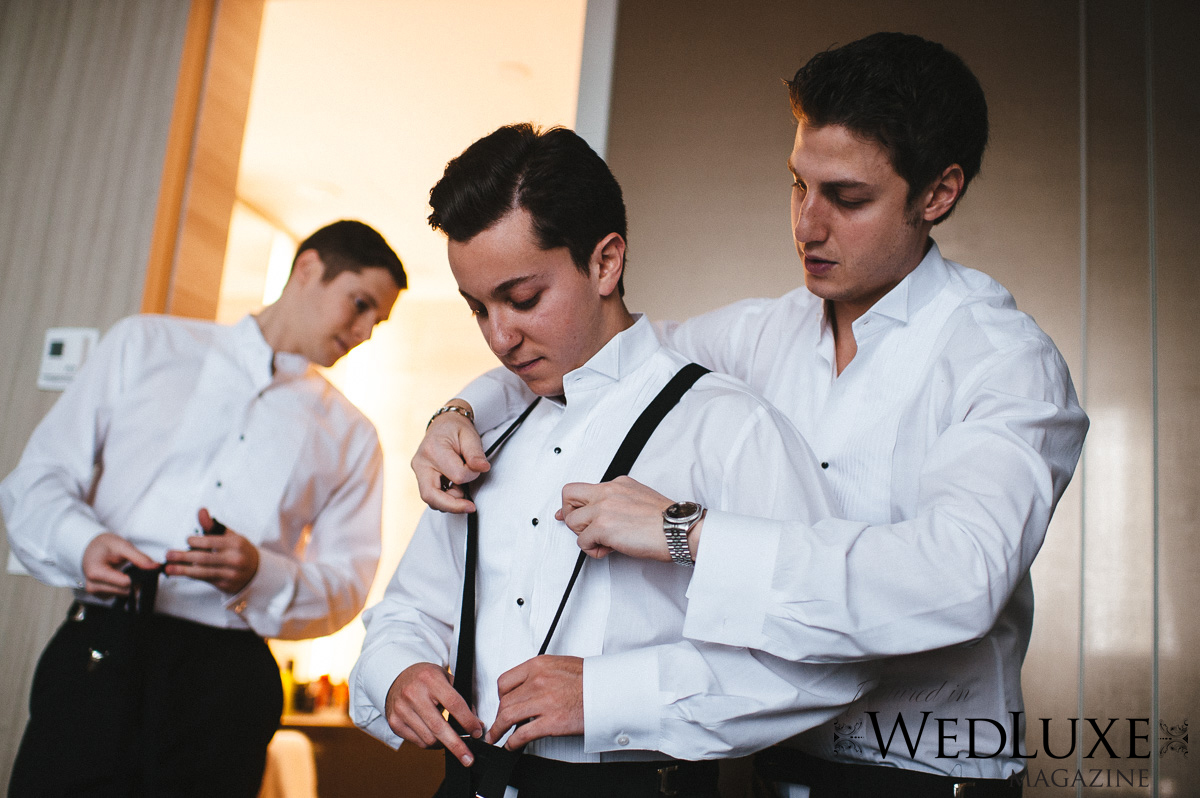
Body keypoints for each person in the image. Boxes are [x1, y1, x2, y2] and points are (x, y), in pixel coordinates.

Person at [412, 33, 1089, 798]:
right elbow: (603, 355)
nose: (807, 224)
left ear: (938, 194)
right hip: (763, 770)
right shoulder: (757, 335)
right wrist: (456, 408)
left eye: (848, 198)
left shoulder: (1005, 361)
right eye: (798, 185)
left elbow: (957, 580)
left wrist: (685, 532)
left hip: (922, 778)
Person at [350, 123, 870, 798]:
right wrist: (399, 671)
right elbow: (408, 610)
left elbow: (827, 660)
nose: (500, 337)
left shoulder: (728, 429)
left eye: (523, 298)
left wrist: (611, 695)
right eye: (478, 309)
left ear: (605, 262)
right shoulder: (484, 432)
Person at [1, 219, 406, 797]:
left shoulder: (353, 436)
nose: (365, 331)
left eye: (378, 321)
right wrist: (81, 542)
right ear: (309, 268)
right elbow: (37, 478)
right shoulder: (144, 345)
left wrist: (259, 574)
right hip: (99, 651)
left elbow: (347, 584)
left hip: (228, 683)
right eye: (360, 305)